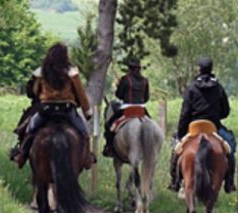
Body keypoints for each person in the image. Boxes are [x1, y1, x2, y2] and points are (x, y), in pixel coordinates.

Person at [11, 43, 95, 171]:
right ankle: (87, 158)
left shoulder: (42, 72)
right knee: (84, 134)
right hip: (67, 110)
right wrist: (87, 111)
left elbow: (35, 91)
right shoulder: (72, 72)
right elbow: (80, 93)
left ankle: (21, 154)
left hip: (46, 110)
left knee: (30, 131)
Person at [169, 57, 236, 193]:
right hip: (213, 127)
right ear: (211, 69)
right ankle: (229, 182)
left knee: (176, 150)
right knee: (230, 149)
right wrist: (215, 116)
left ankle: (175, 181)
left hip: (193, 128)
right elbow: (226, 111)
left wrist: (181, 133)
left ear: (199, 69)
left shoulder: (191, 87)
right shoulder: (218, 87)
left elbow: (185, 113)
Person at [102, 57, 150, 157]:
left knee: (109, 125)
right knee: (151, 127)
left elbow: (119, 95)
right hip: (141, 109)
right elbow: (146, 98)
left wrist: (119, 85)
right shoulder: (145, 81)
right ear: (139, 68)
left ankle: (109, 147)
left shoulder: (125, 79)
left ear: (129, 68)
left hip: (127, 108)